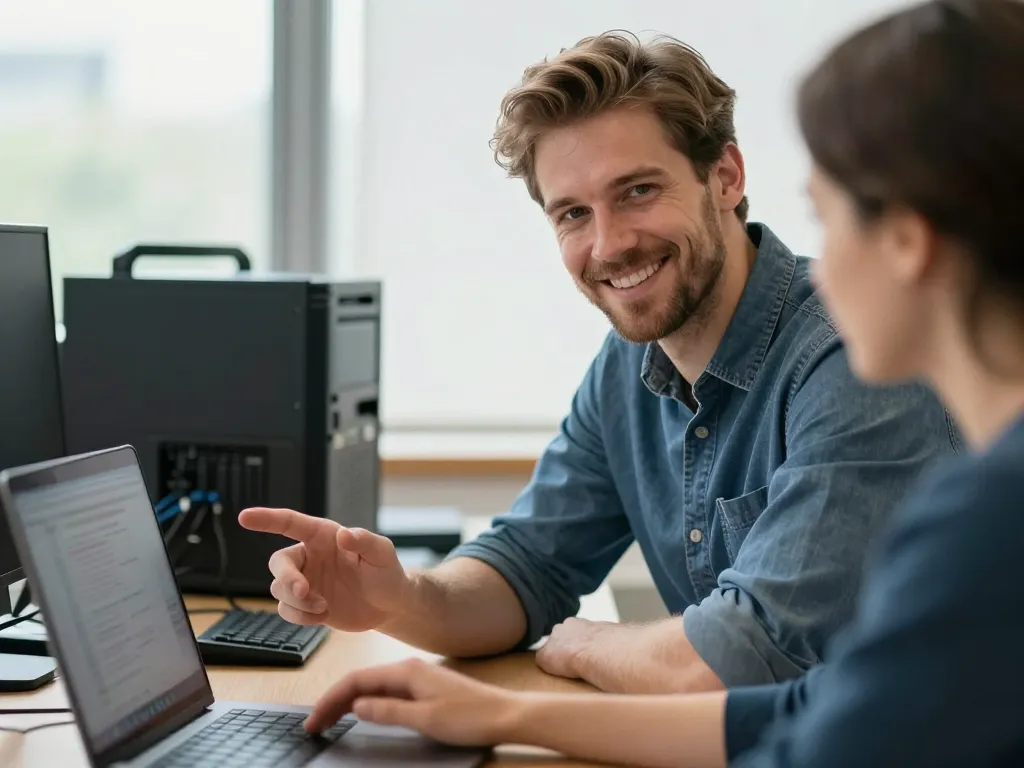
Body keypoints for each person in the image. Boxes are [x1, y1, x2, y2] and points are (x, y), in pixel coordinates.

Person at [293, 0, 1024, 765]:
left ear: (727, 177)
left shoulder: (910, 430)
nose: (608, 243)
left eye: (638, 191)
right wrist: (397, 603)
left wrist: (578, 650)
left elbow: (744, 666)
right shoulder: (629, 367)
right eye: (573, 213)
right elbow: (534, 567)